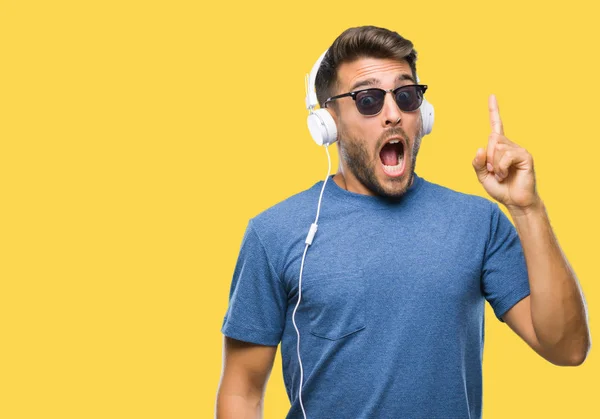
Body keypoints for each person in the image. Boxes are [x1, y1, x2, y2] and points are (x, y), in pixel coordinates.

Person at [215, 26, 591, 419]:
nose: (393, 114)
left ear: (423, 115)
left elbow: (567, 348)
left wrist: (528, 209)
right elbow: (241, 393)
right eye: (368, 100)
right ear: (328, 123)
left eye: (406, 96)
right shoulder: (275, 233)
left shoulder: (478, 223)